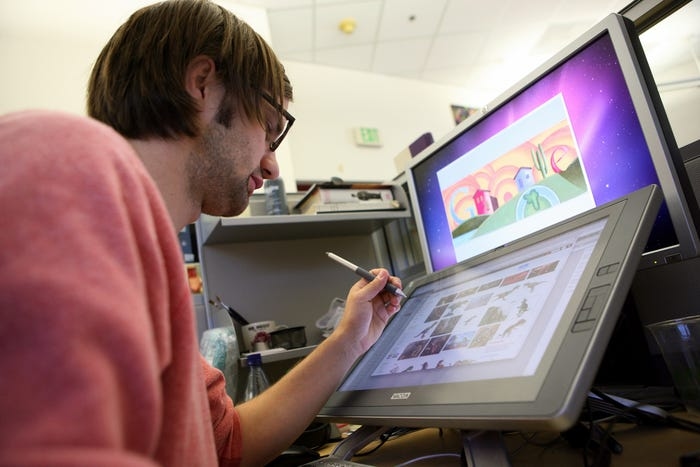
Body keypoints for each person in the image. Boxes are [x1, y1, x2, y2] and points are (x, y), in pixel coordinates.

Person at [0, 1, 402, 466]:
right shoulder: (62, 159)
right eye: (269, 129)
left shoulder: (143, 248)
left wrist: (350, 339)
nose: (272, 164)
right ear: (202, 85)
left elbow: (226, 444)